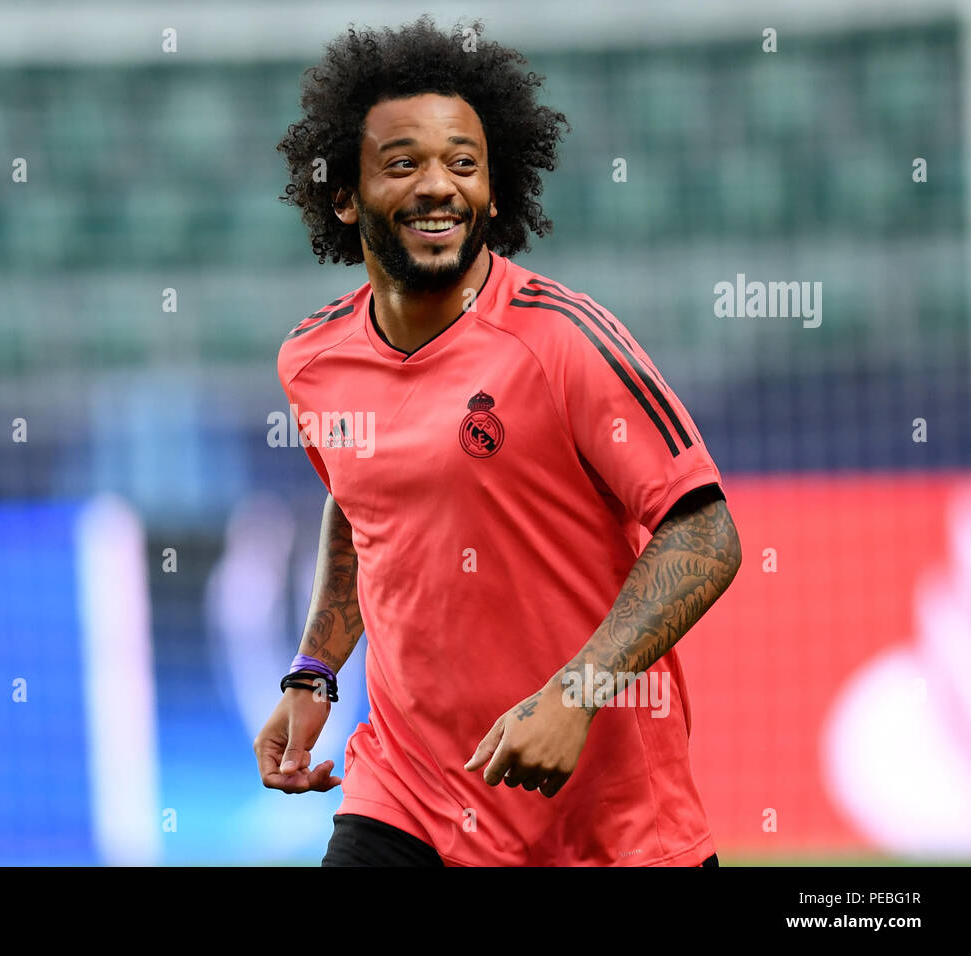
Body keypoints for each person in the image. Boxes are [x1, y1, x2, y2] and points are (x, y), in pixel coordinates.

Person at [255, 14, 741, 866]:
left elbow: (707, 533)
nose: (438, 185)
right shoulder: (311, 360)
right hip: (408, 797)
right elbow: (361, 505)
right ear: (343, 195)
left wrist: (576, 693)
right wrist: (315, 670)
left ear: (493, 191)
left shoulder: (563, 342)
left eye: (463, 164)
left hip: (607, 825)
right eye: (403, 164)